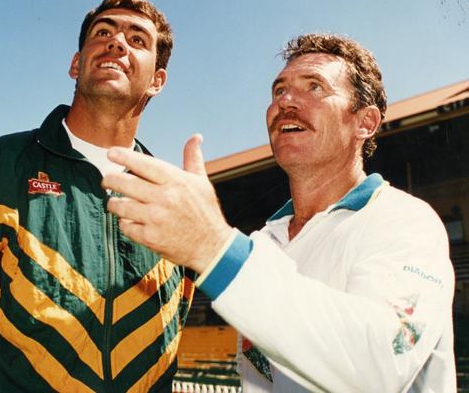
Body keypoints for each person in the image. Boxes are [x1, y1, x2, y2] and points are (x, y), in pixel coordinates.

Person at [103, 33, 456, 392]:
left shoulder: (406, 221)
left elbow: (381, 364)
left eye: (315, 87)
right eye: (278, 90)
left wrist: (214, 248)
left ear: (365, 122)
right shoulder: (264, 242)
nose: (286, 101)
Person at [0, 0, 194, 392]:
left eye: (137, 40)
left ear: (157, 81)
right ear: (76, 64)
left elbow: (169, 340)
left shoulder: (172, 201)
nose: (117, 43)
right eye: (103, 32)